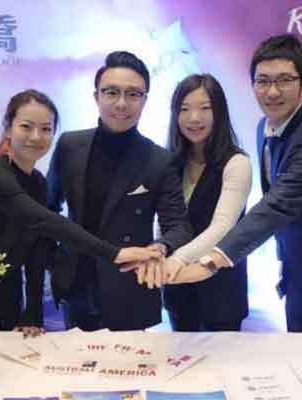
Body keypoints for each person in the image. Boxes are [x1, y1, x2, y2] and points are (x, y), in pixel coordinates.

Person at [164, 34, 302, 332]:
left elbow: (276, 206)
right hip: (298, 275)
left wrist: (211, 262)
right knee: (298, 355)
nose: (272, 91)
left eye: (284, 80)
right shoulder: (266, 127)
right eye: (263, 81)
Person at [0, 89, 160, 335]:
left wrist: (33, 312)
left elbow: (37, 248)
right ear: (8, 128)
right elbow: (46, 221)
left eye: (46, 129)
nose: (36, 137)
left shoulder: (37, 181)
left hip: (8, 303)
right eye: (26, 127)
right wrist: (115, 253)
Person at [46, 51, 193, 331]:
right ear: (96, 96)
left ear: (145, 100)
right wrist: (56, 260)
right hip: (76, 285)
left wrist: (160, 247)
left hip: (130, 286)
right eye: (112, 92)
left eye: (133, 94)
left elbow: (179, 225)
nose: (122, 103)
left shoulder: (159, 160)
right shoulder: (69, 145)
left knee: (129, 359)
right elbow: (46, 209)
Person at [140, 74, 251, 332]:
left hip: (221, 291)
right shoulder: (170, 162)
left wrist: (177, 259)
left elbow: (222, 227)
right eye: (184, 109)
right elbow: (165, 221)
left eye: (205, 108)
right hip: (177, 289)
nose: (194, 118)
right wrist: (160, 251)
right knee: (181, 353)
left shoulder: (237, 163)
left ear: (219, 112)